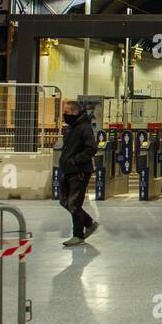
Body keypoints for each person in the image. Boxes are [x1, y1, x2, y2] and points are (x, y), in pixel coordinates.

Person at [58, 100, 99, 247]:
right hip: (67, 170)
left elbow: (91, 148)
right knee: (64, 201)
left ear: (75, 112)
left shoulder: (84, 128)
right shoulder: (69, 129)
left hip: (79, 172)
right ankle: (89, 223)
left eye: (67, 112)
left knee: (74, 203)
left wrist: (75, 161)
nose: (64, 115)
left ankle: (78, 235)